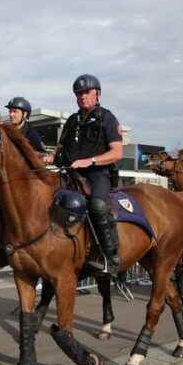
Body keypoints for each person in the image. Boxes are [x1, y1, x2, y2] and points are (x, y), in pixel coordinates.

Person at [56, 74, 123, 275]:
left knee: (97, 205)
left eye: (87, 92)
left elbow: (117, 152)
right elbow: (60, 150)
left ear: (97, 94)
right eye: (78, 93)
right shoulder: (72, 120)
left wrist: (91, 160)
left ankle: (111, 256)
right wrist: (49, 158)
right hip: (71, 172)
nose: (82, 96)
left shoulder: (107, 118)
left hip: (98, 173)